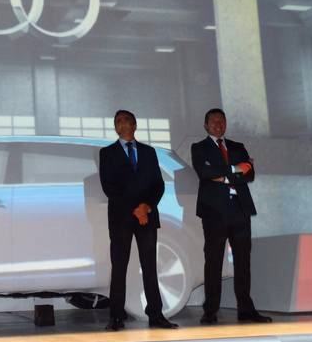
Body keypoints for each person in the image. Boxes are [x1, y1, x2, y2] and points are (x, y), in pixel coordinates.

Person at [191, 108, 272, 325]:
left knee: (243, 261)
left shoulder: (237, 146)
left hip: (240, 209)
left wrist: (223, 175)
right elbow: (205, 173)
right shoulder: (199, 147)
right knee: (214, 261)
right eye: (214, 121)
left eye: (222, 121)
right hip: (214, 212)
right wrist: (237, 169)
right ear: (206, 125)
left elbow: (250, 174)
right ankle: (210, 311)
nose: (218, 125)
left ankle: (246, 309)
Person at [99, 109, 178, 330]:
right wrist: (135, 209)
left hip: (147, 217)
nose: (122, 124)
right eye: (118, 121)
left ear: (135, 125)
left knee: (150, 266)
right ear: (115, 127)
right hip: (121, 218)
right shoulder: (107, 153)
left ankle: (156, 315)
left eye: (126, 120)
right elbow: (109, 187)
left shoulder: (149, 152)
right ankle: (116, 316)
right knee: (119, 267)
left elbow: (158, 185)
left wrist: (146, 207)